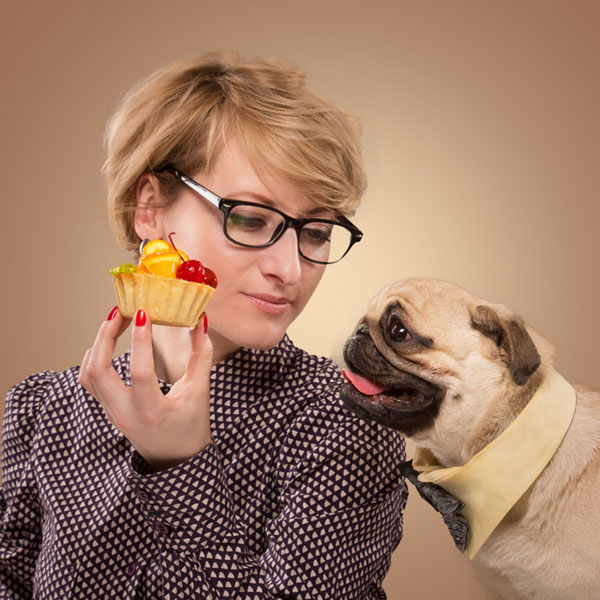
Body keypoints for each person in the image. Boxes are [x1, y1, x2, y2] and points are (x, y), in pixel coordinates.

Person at [0, 51, 407, 599]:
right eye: (251, 219)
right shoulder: (41, 411)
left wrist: (181, 464)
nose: (290, 270)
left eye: (315, 232)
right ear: (149, 209)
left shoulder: (346, 422)